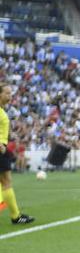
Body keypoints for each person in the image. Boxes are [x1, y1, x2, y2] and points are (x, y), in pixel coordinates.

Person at [0, 84, 34, 225]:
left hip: (3, 149)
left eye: (11, 93)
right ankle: (15, 215)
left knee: (6, 181)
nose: (10, 96)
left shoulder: (2, 111)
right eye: (7, 93)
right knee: (6, 182)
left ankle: (16, 216)